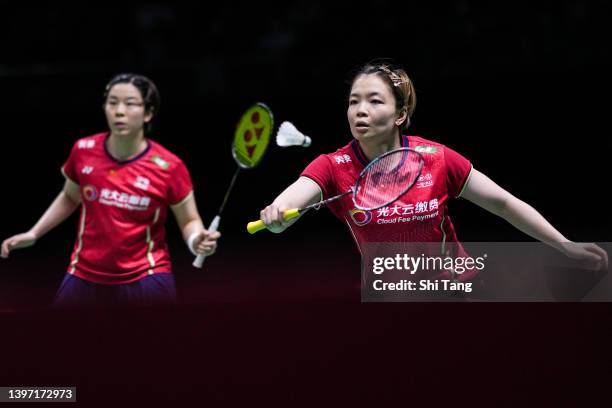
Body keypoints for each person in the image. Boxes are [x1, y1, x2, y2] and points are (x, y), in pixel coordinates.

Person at [257, 61, 607, 284]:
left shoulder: (435, 158)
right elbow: (293, 200)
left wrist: (565, 246)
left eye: (375, 101)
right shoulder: (333, 166)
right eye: (354, 101)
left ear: (399, 115)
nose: (360, 110)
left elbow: (503, 203)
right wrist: (277, 215)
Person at [1, 73, 220, 307]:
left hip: (146, 277)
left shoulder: (169, 166)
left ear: (148, 113)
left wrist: (196, 240)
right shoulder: (83, 150)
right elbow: (70, 196)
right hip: (83, 275)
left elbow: (189, 220)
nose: (119, 111)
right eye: (112, 102)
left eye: (130, 103)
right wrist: (34, 233)